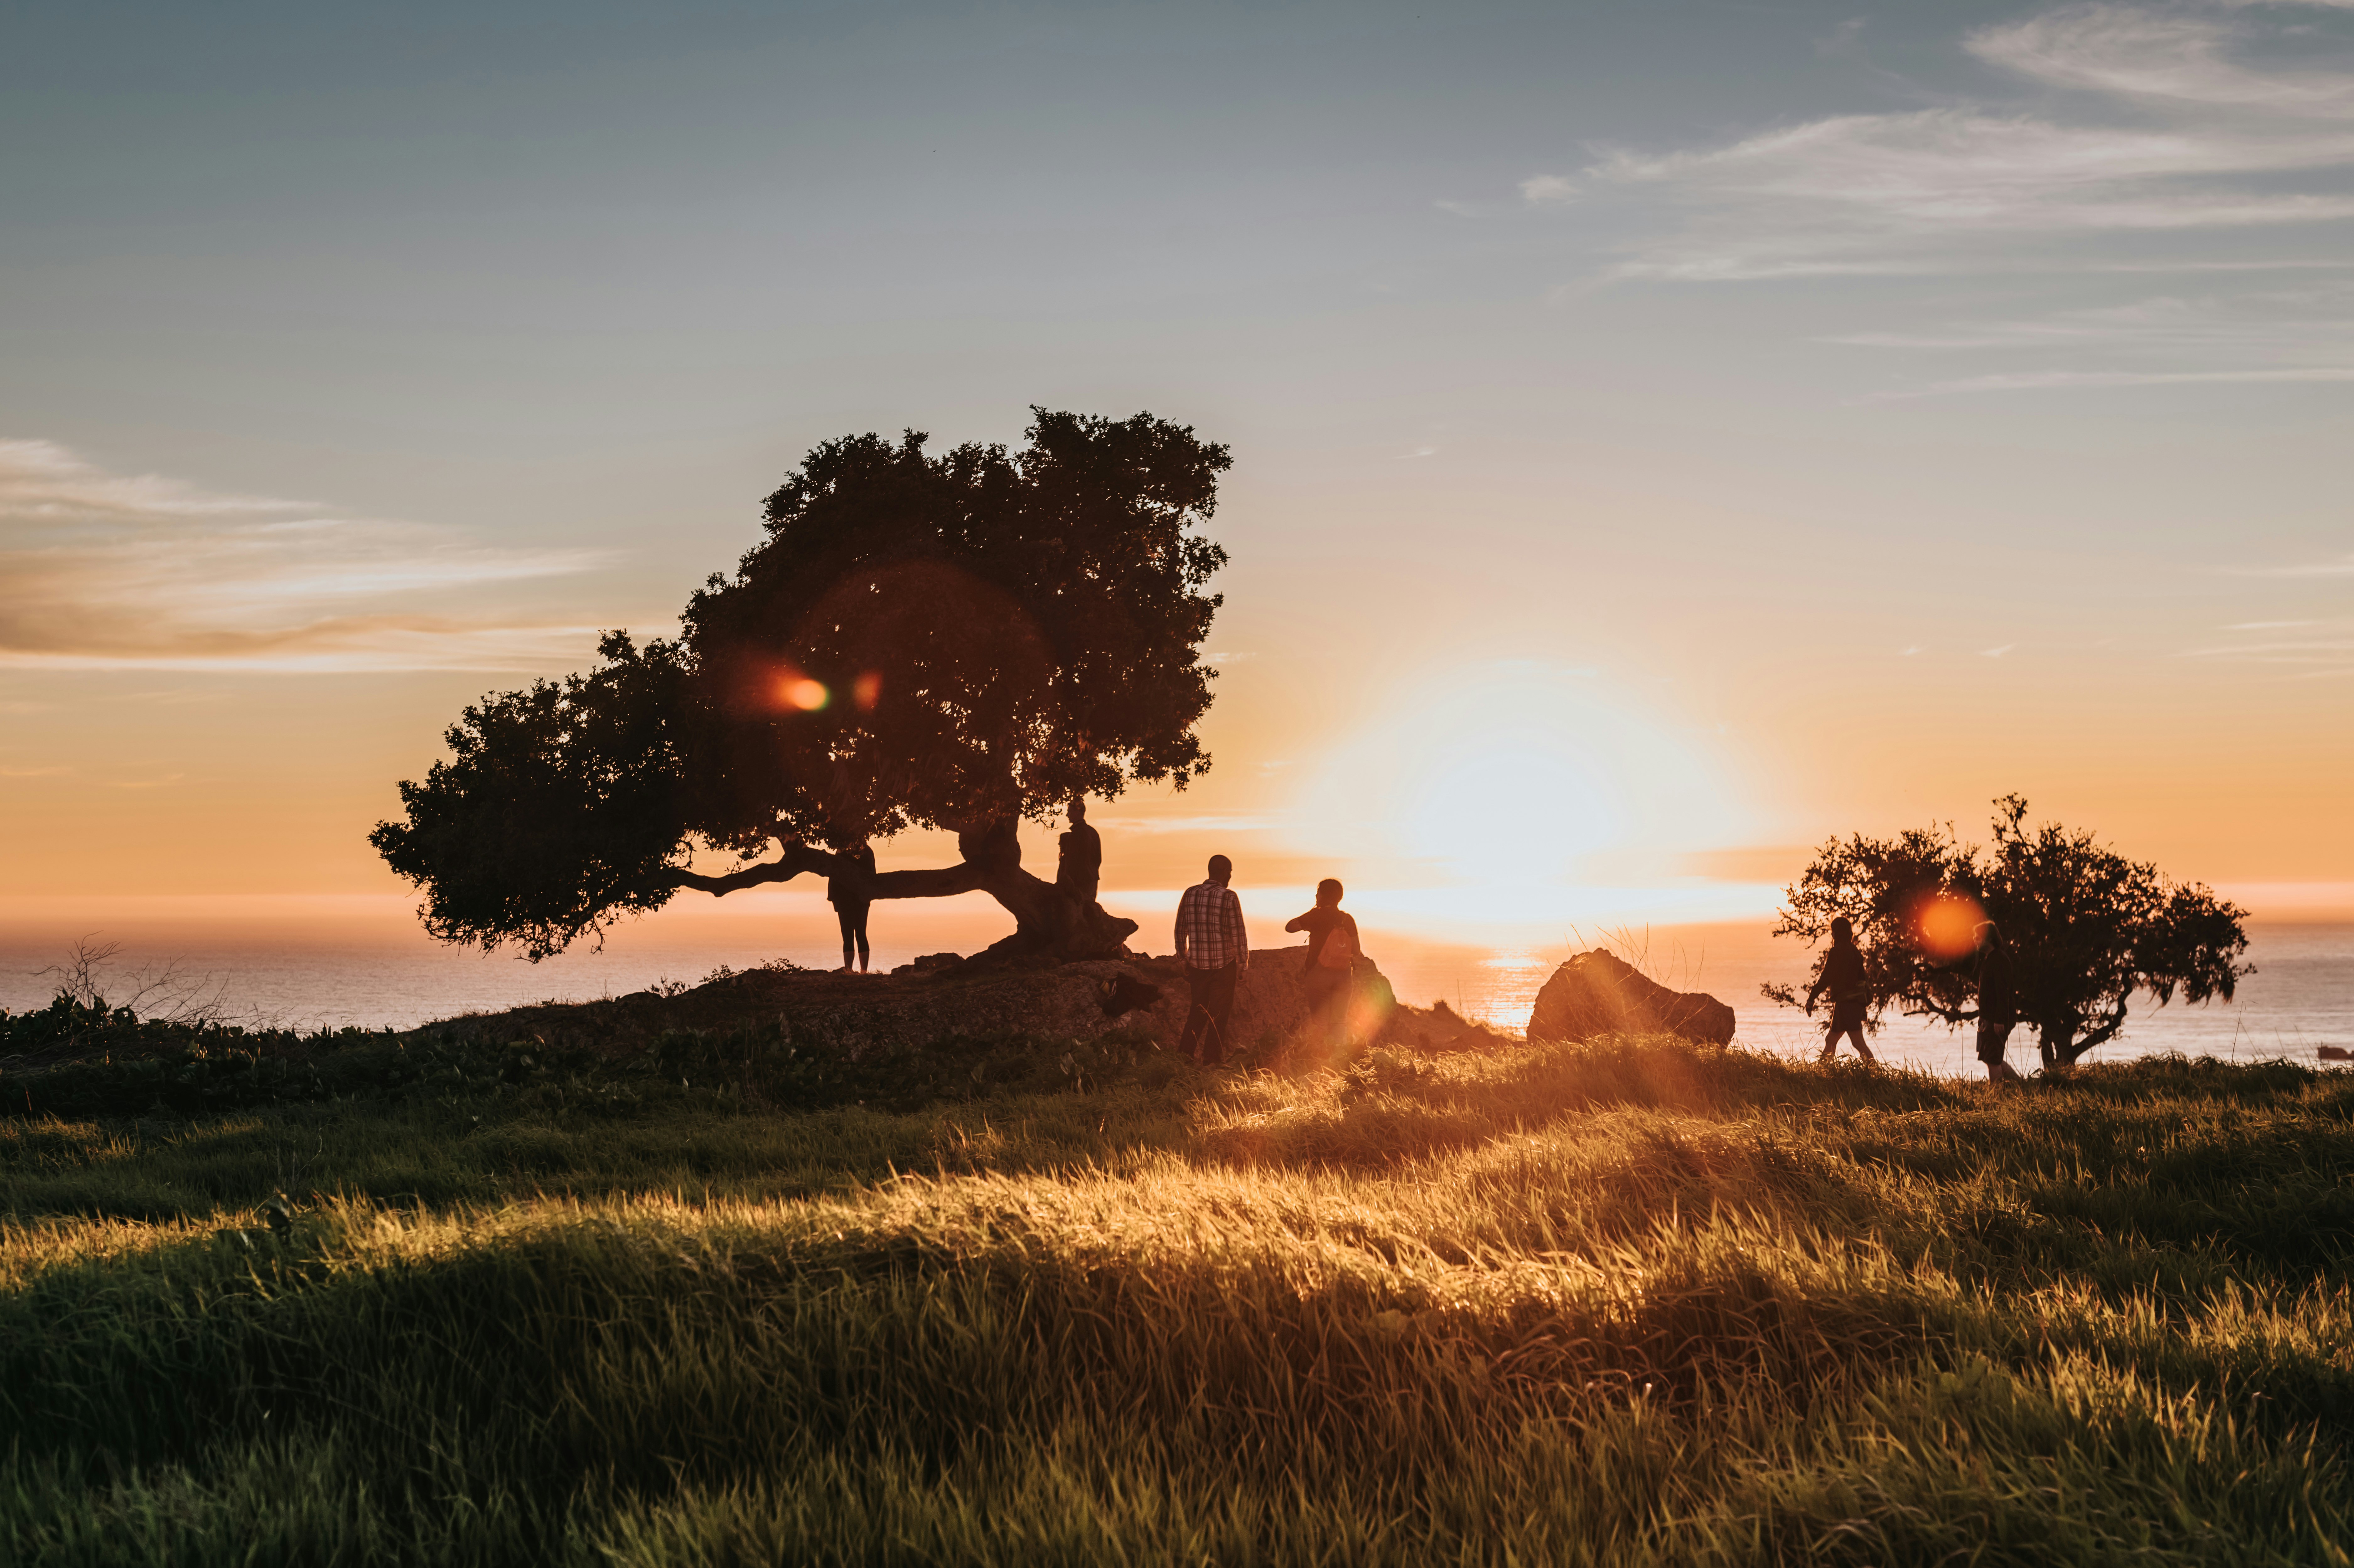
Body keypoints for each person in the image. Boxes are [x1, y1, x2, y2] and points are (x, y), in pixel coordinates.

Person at [1927, 919, 2023, 1084]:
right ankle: (2021, 1084)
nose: (1974, 940)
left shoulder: (1999, 960)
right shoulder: (1989, 959)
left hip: (1997, 1020)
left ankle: (1997, 1096)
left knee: (1993, 1059)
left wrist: (2000, 1020)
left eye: (1978, 937)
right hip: (1988, 1019)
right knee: (1990, 1057)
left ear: (1989, 939)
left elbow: (2004, 993)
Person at [1174, 854, 1249, 1065]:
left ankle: (1184, 1056)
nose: (1231, 877)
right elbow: (1238, 933)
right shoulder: (1229, 897)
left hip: (1197, 965)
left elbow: (1181, 929)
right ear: (1225, 872)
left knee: (1197, 1011)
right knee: (1219, 1015)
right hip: (1224, 965)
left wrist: (1183, 959)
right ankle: (1211, 1060)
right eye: (1230, 872)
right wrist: (1243, 963)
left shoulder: (1190, 893)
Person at [1285, 879, 1362, 1057]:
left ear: (1322, 896)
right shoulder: (1347, 919)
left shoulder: (1315, 916)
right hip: (1344, 975)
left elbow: (1290, 927)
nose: (1316, 895)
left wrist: (1312, 915)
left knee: (1320, 1023)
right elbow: (1356, 951)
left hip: (1319, 974)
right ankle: (1339, 1060)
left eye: (1318, 892)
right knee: (1340, 1022)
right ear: (1339, 898)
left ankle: (1319, 1060)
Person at [1803, 916, 1875, 1064]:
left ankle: (1875, 1071)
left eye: (1833, 931)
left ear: (1837, 933)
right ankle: (1823, 1071)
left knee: (1857, 1042)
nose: (1832, 934)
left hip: (1847, 1003)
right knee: (1833, 1040)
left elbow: (1826, 978)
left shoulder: (1837, 952)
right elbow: (1863, 980)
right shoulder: (1855, 952)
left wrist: (1811, 998)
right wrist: (1862, 1007)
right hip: (1852, 1003)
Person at [828, 840, 877, 973]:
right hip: (854, 899)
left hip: (853, 899)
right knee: (855, 934)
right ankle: (856, 971)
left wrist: (833, 898)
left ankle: (857, 971)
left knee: (853, 934)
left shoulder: (846, 851)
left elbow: (834, 877)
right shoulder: (865, 851)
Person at [1056, 798, 1102, 907]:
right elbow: (1098, 860)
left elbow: (1073, 861)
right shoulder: (1093, 832)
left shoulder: (1078, 833)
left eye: (1070, 812)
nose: (1068, 815)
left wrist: (1068, 882)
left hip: (1080, 883)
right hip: (1092, 880)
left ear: (1078, 811)